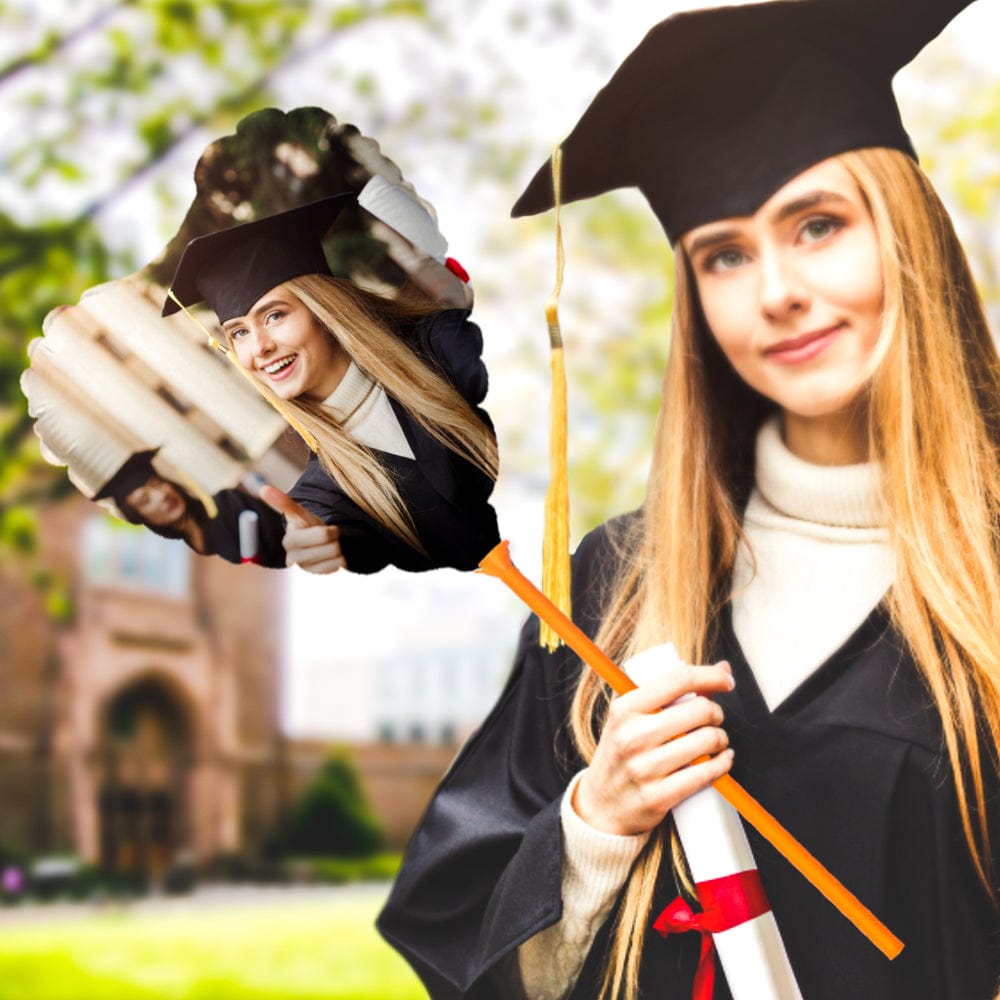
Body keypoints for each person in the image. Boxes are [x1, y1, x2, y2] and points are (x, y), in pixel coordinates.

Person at [378, 1, 1000, 998]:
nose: (776, 291)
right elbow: (466, 940)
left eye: (818, 226)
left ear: (907, 236)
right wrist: (595, 824)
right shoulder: (612, 585)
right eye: (725, 255)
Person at [162, 192, 500, 575]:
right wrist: (326, 545)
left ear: (324, 309)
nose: (259, 347)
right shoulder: (323, 492)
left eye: (274, 316)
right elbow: (340, 536)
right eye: (239, 333)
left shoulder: (446, 348)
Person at [94, 449, 287, 567]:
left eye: (158, 483)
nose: (162, 495)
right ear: (142, 519)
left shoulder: (230, 505)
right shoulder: (175, 560)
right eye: (145, 500)